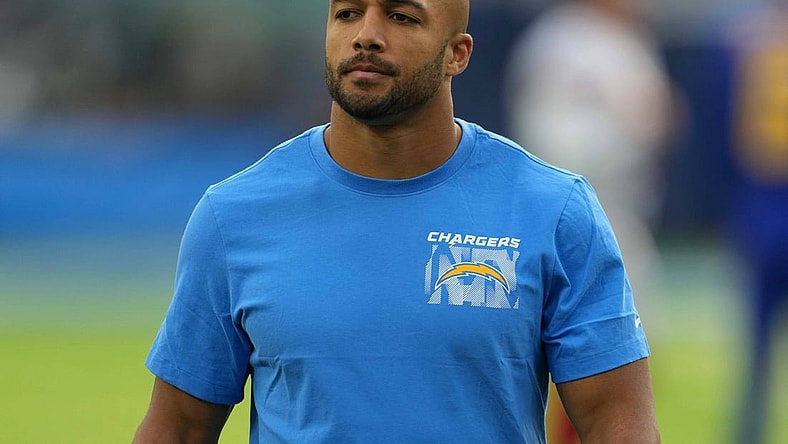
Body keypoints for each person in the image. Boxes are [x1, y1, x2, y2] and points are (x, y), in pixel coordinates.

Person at [134, 1, 660, 442]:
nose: (366, 35)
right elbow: (177, 429)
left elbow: (617, 422)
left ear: (458, 54)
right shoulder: (234, 216)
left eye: (402, 16)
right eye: (347, 14)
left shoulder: (554, 209)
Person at [716, 1, 788, 442]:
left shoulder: (746, 40)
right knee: (756, 335)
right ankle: (749, 432)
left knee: (756, 336)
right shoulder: (747, 41)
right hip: (762, 195)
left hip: (760, 197)